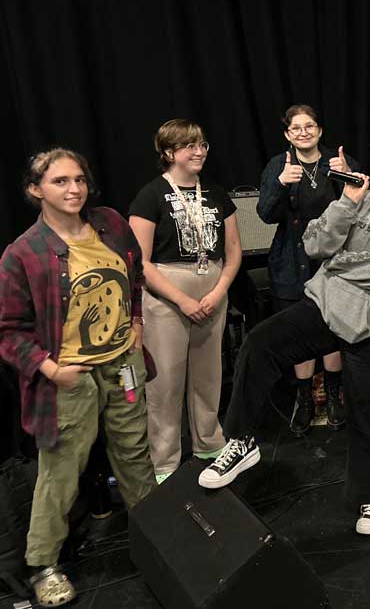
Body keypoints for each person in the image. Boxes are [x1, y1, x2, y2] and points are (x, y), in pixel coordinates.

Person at [198, 135, 370, 537]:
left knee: (367, 418)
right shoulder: (360, 197)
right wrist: (347, 203)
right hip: (325, 308)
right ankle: (241, 440)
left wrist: (338, 263)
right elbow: (313, 243)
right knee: (259, 343)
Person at [0, 149, 155, 607]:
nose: (73, 190)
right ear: (35, 190)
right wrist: (50, 369)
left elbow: (135, 276)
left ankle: (155, 539)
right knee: (61, 471)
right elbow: (9, 332)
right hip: (70, 378)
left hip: (122, 363)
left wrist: (137, 322)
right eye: (60, 182)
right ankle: (43, 564)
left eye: (79, 180)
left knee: (136, 454)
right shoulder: (23, 253)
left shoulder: (109, 223)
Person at [128, 120, 241, 485]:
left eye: (202, 144)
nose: (199, 151)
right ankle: (163, 461)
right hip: (166, 297)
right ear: (168, 153)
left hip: (212, 292)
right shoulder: (150, 196)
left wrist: (218, 290)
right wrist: (181, 298)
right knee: (165, 383)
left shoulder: (217, 194)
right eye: (189, 145)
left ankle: (209, 443)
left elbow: (234, 250)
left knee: (209, 376)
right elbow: (140, 262)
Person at [257, 104, 362, 435]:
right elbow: (266, 214)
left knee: (331, 330)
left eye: (310, 126)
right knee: (300, 331)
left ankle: (333, 397)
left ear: (320, 130)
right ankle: (304, 399)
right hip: (293, 261)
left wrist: (347, 175)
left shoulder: (336, 162)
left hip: (333, 261)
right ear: (287, 134)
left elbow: (364, 203)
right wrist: (280, 184)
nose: (304, 132)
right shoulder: (279, 165)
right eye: (296, 128)